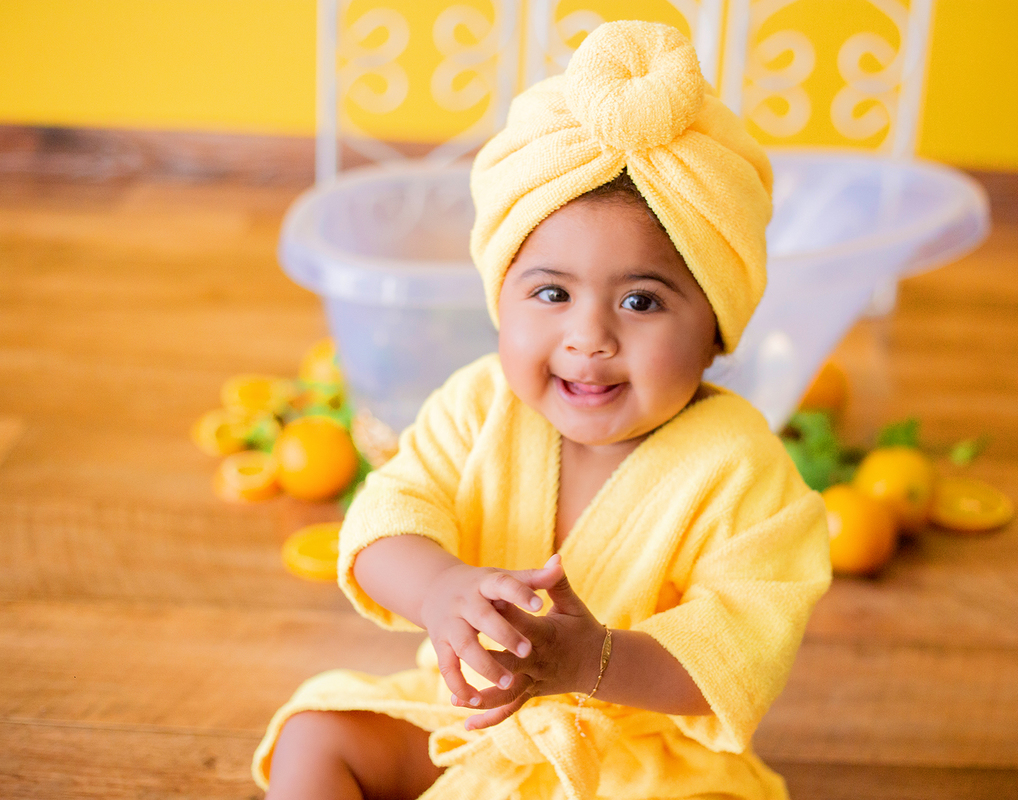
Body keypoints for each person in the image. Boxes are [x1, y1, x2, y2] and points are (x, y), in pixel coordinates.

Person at [253, 19, 831, 800]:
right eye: (552, 293)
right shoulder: (477, 403)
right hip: (474, 719)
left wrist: (587, 660)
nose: (588, 337)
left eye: (641, 300)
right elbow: (385, 519)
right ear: (502, 300)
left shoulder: (743, 471)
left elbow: (735, 654)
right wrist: (439, 591)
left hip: (636, 762)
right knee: (314, 735)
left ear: (717, 332)